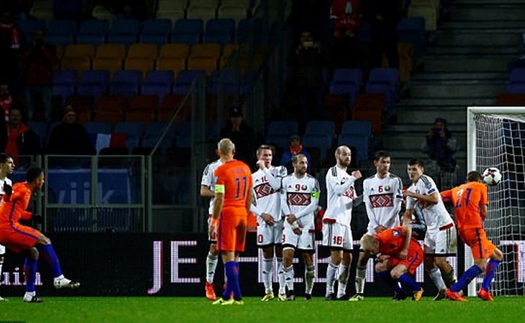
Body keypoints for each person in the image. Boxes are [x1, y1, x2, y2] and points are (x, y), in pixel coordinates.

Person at [0, 166, 80, 302]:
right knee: (45, 240)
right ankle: (58, 278)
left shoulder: (23, 187)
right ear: (37, 180)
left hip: (5, 228)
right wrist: (8, 193)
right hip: (7, 227)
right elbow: (9, 197)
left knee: (33, 253)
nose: (43, 182)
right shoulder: (22, 189)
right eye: (43, 179)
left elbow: (14, 209)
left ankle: (29, 294)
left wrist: (31, 216)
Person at [349, 150, 404, 301]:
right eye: (383, 162)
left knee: (390, 263)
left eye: (388, 162)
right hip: (373, 228)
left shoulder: (395, 180)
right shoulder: (368, 182)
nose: (386, 165)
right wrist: (376, 225)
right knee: (362, 257)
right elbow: (368, 207)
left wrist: (385, 226)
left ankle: (398, 291)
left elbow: (397, 207)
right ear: (375, 163)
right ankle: (359, 293)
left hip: (391, 229)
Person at [441, 171, 503, 302]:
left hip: (463, 231)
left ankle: (485, 290)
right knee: (481, 265)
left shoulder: (456, 190)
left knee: (497, 255)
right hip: (475, 229)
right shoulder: (481, 186)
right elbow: (484, 212)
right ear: (480, 180)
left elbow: (437, 198)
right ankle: (454, 291)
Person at [402, 159, 457, 301]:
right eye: (409, 169)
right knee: (427, 260)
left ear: (422, 170)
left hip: (443, 226)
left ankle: (457, 288)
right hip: (431, 229)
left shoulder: (425, 180)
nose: (411, 172)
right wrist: (402, 230)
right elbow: (408, 214)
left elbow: (435, 199)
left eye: (414, 169)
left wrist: (414, 195)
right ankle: (442, 289)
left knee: (439, 261)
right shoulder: (411, 189)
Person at [211, 138, 253, 305]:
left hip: (228, 214)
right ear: (233, 150)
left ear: (218, 152)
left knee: (227, 254)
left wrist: (214, 220)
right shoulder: (246, 168)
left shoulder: (221, 171)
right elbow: (250, 194)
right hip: (243, 213)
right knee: (235, 255)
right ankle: (228, 295)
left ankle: (238, 295)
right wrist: (246, 212)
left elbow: (219, 198)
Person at [322, 145, 362, 301]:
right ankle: (329, 291)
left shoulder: (347, 176)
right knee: (336, 257)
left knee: (348, 258)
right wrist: (353, 178)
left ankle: (341, 292)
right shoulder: (333, 171)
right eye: (345, 154)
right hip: (334, 219)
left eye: (350, 154)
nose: (348, 157)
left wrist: (364, 196)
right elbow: (338, 191)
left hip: (346, 221)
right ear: (336, 156)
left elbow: (352, 202)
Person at [250, 145, 288, 301]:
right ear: (258, 157)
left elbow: (276, 185)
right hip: (264, 221)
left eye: (270, 155)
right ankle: (268, 290)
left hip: (280, 220)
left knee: (281, 256)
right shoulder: (251, 178)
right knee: (266, 256)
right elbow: (248, 203)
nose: (267, 158)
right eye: (264, 155)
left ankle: (282, 291)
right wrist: (261, 214)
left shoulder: (280, 170)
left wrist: (265, 170)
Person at [280, 154, 320, 301]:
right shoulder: (285, 181)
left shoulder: (313, 182)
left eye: (306, 163)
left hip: (307, 225)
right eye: (302, 163)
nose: (305, 165)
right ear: (294, 165)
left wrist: (296, 217)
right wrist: (293, 221)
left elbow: (314, 204)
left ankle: (308, 292)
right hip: (290, 225)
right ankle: (290, 291)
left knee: (308, 259)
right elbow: (283, 202)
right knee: (287, 256)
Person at [360, 225, 424, 301]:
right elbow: (391, 247)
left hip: (413, 251)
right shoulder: (374, 243)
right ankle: (400, 293)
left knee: (395, 273)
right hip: (398, 254)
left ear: (376, 243)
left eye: (371, 251)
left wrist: (405, 249)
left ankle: (417, 289)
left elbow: (408, 228)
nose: (371, 253)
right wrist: (381, 255)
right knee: (379, 267)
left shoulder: (387, 235)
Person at [200, 147, 225, 301]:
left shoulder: (238, 168)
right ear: (217, 152)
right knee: (215, 248)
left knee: (231, 250)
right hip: (216, 212)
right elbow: (203, 191)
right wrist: (218, 194)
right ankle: (209, 283)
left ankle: (229, 285)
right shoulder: (212, 167)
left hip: (233, 213)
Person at [19, 29, 59, 122]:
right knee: (30, 108)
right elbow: (23, 60)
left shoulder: (50, 48)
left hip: (45, 82)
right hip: (30, 82)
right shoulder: (29, 48)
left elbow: (53, 61)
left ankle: (47, 126)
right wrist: (33, 48)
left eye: (41, 35)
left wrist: (43, 49)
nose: (39, 37)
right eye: (37, 35)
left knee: (47, 107)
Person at [291, 30, 325, 121]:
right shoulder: (297, 50)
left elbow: (324, 61)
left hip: (315, 82)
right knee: (304, 106)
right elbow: (292, 63)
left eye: (308, 36)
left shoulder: (317, 49)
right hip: (302, 82)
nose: (306, 38)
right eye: (303, 36)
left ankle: (321, 124)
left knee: (319, 105)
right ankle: (306, 125)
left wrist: (318, 50)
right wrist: (297, 52)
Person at [421, 117, 459, 191]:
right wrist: (428, 138)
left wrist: (444, 138)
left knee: (447, 189)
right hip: (433, 165)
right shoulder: (431, 137)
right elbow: (423, 149)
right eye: (437, 125)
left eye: (441, 125)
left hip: (447, 165)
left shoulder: (449, 136)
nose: (438, 128)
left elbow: (454, 148)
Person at [362, 0, 402, 68]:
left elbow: (397, 12)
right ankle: (374, 74)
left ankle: (395, 74)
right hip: (376, 29)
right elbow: (366, 10)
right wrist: (375, 16)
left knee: (392, 54)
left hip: (389, 28)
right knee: (376, 55)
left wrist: (386, 17)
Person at [325, 0, 363, 72]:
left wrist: (354, 32)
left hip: (353, 36)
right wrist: (344, 31)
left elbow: (360, 20)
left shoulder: (358, 2)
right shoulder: (336, 2)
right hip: (339, 36)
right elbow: (333, 20)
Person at [0, 152, 14, 301]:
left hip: (1, 225)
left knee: (0, 258)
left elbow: (8, 205)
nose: (13, 166)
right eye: (10, 163)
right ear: (2, 164)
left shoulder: (9, 183)